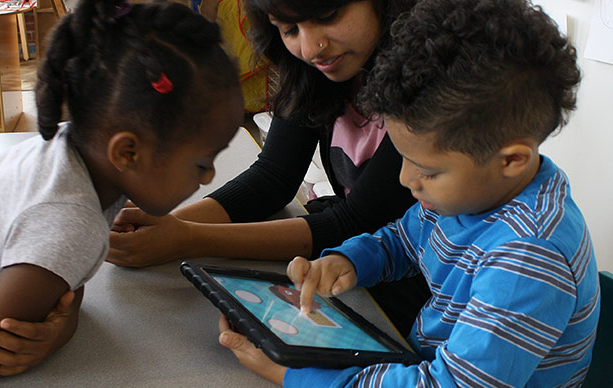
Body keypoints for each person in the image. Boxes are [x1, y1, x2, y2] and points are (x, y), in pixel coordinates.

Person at [218, 0, 600, 386]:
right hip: (425, 357)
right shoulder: (476, 190)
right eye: (403, 157)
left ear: (512, 159)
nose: (405, 178)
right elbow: (403, 239)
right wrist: (349, 261)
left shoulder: (528, 258)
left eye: (428, 170)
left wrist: (298, 378)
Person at [0, 0, 243, 379]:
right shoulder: (72, 224)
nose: (208, 179)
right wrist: (60, 329)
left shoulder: (60, 144)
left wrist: (61, 297)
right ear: (127, 152)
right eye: (203, 163)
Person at [108, 0, 430, 337]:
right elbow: (275, 176)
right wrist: (168, 223)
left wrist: (185, 238)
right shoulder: (318, 67)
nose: (310, 48)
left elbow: (354, 223)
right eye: (289, 29)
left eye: (327, 15)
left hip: (419, 289)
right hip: (354, 261)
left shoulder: (431, 87)